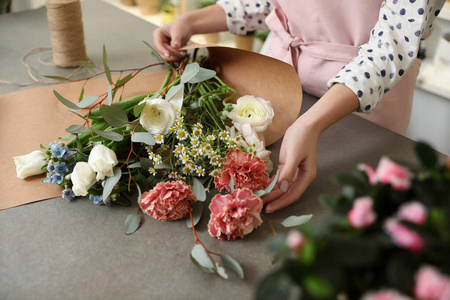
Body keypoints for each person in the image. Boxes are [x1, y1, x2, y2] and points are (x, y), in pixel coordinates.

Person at [153, 0, 446, 213]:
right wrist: (192, 22)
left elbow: (391, 45)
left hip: (361, 102)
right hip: (275, 78)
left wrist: (309, 124)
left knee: (338, 214)